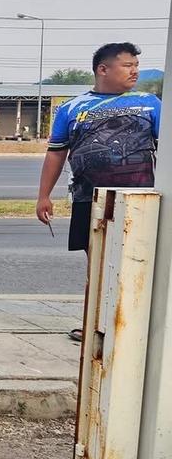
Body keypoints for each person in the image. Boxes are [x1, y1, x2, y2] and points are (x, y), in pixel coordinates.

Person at [36, 42, 161, 340]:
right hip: (88, 199)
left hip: (140, 199)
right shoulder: (71, 108)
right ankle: (96, 325)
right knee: (99, 263)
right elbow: (56, 152)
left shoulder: (151, 103)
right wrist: (44, 195)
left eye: (136, 65)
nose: (135, 71)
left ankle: (132, 327)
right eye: (127, 65)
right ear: (103, 69)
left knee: (138, 262)